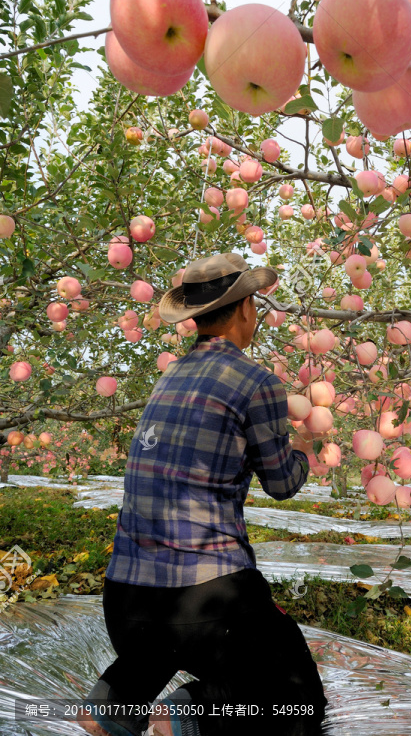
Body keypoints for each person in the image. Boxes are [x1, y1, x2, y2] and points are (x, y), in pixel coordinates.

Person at [77, 253, 329, 736]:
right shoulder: (258, 383)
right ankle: (182, 717)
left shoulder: (169, 377)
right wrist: (303, 446)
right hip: (203, 600)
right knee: (296, 698)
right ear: (246, 309)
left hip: (126, 602)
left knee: (168, 646)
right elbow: (282, 484)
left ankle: (115, 702)